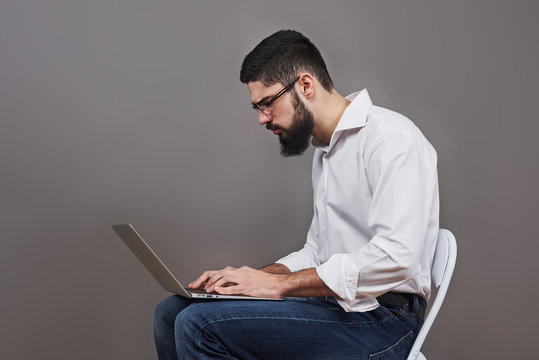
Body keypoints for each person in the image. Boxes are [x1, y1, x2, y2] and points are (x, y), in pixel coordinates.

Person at [154, 29, 439, 360]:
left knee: (198, 326)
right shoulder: (326, 151)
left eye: (267, 103)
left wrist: (280, 286)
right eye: (256, 107)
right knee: (170, 312)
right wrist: (255, 278)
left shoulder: (392, 139)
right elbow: (317, 252)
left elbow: (397, 258)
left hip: (385, 323)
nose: (262, 118)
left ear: (305, 85)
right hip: (335, 309)